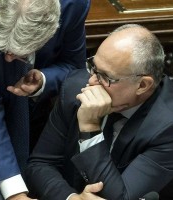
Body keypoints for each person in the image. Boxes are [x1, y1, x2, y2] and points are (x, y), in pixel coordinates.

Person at [0, 0, 91, 199]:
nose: (8, 58)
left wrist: (44, 80)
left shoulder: (73, 4)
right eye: (5, 50)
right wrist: (15, 192)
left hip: (40, 116)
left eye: (18, 54)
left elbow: (74, 68)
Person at [25, 24, 173, 200]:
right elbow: (40, 164)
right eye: (92, 67)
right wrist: (71, 198)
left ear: (142, 85)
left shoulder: (167, 127)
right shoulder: (75, 88)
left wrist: (89, 128)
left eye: (105, 77)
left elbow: (119, 197)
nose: (91, 81)